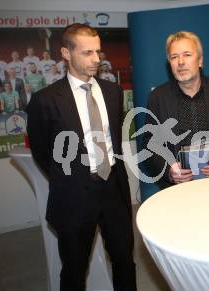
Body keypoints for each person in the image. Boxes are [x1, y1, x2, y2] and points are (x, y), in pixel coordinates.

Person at [26, 23, 136, 291]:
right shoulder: (46, 100)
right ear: (66, 52)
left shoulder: (112, 92)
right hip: (74, 195)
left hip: (114, 190)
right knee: (74, 271)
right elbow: (43, 152)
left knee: (124, 261)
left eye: (98, 52)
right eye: (87, 53)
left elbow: (114, 140)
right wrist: (71, 177)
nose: (96, 59)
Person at [142, 31, 209, 188]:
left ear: (200, 60)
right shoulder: (157, 97)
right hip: (177, 189)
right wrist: (170, 169)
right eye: (174, 57)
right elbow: (150, 143)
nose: (180, 62)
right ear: (170, 63)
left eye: (187, 55)